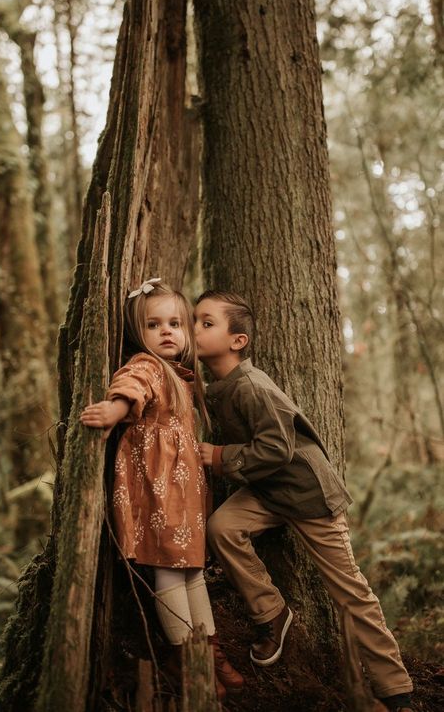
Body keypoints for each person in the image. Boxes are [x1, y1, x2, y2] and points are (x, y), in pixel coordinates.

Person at [194, 289, 414, 712]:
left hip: (308, 494)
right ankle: (271, 612)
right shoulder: (221, 385)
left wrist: (221, 458)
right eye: (194, 321)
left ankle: (394, 686)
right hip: (268, 490)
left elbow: (277, 448)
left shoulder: (252, 386)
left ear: (237, 341)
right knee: (222, 528)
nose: (194, 329)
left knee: (350, 590)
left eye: (206, 323)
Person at [80, 279, 243, 699]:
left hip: (184, 494)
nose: (167, 331)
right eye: (155, 325)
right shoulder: (149, 365)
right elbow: (134, 384)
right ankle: (184, 657)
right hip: (156, 492)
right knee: (169, 570)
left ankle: (208, 650)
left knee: (192, 571)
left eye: (175, 322)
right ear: (140, 334)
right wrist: (114, 410)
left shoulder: (183, 378)